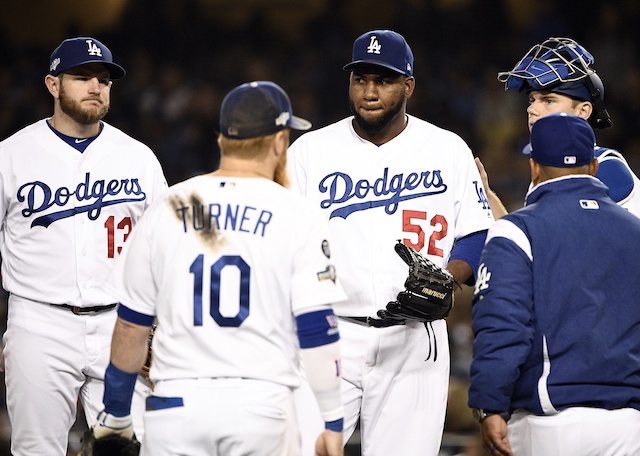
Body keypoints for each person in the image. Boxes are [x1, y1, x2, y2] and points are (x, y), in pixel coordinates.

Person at [93, 80, 347, 456]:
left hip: (173, 406)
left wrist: (115, 413)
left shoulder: (167, 205)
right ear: (279, 142)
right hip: (260, 406)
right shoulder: (299, 214)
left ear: (223, 140)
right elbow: (315, 328)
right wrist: (331, 421)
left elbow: (131, 324)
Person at [287, 30, 494, 456]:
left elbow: (476, 234)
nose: (369, 91)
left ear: (408, 86)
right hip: (330, 334)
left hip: (414, 339)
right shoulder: (310, 151)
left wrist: (446, 277)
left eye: (383, 80)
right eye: (360, 79)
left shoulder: (446, 148)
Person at [0, 37, 168, 455]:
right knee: (37, 449)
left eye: (104, 79)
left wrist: (161, 327)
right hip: (40, 323)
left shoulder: (138, 157)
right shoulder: (11, 156)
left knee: (142, 446)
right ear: (53, 85)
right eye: (81, 77)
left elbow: (166, 246)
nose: (95, 86)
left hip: (121, 324)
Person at [468, 113, 640, 456]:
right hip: (629, 425)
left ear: (534, 168)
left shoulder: (517, 231)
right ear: (593, 166)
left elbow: (504, 327)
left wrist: (490, 404)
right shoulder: (635, 230)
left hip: (550, 422)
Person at [479, 36, 640, 220]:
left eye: (548, 100)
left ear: (583, 110)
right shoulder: (545, 174)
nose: (532, 109)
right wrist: (487, 193)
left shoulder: (607, 170)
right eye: (532, 100)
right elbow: (530, 244)